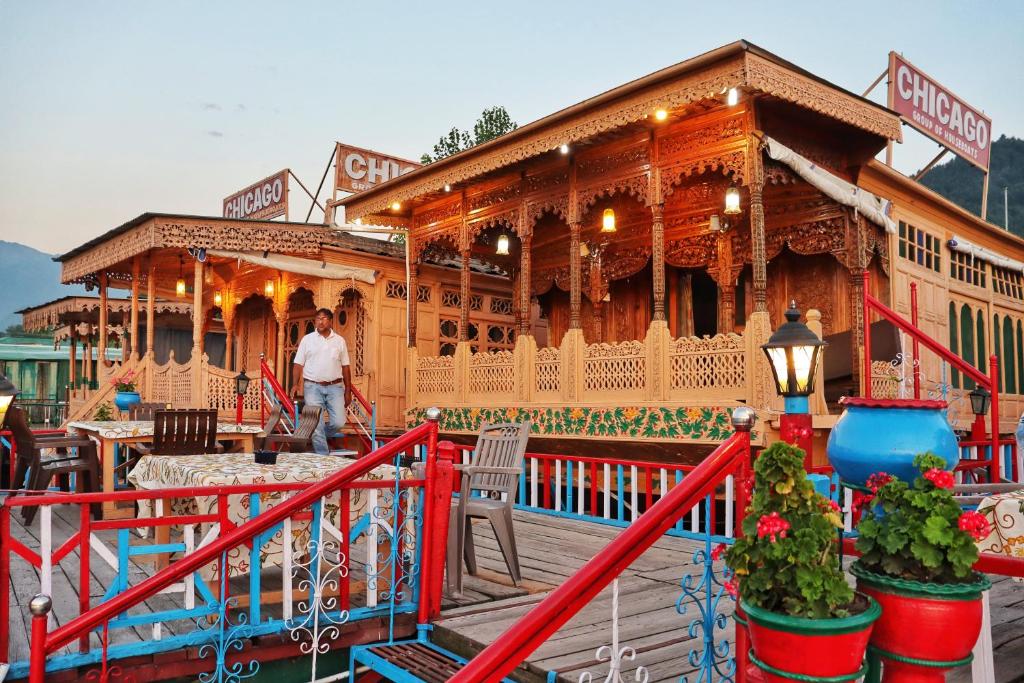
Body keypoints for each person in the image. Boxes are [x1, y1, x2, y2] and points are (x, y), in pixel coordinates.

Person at [290, 308, 352, 455]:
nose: (320, 321)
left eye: (324, 318)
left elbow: (346, 367)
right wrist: (294, 384)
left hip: (335, 387)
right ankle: (323, 458)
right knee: (316, 425)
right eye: (318, 318)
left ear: (330, 321)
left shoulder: (339, 341)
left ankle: (319, 437)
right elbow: (298, 364)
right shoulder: (307, 339)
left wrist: (348, 391)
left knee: (339, 422)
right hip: (312, 387)